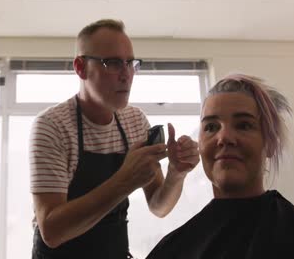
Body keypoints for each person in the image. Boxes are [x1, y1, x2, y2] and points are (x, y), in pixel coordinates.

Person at [29, 19, 200, 259]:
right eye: (113, 63)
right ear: (80, 68)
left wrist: (176, 174)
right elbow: (52, 231)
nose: (127, 74)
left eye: (130, 63)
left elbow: (158, 206)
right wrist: (125, 180)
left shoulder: (135, 121)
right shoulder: (52, 126)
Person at [146, 74, 294, 259]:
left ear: (270, 144)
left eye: (243, 125)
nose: (224, 138)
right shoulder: (172, 250)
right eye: (211, 127)